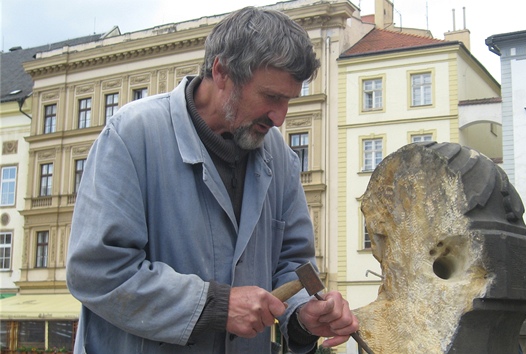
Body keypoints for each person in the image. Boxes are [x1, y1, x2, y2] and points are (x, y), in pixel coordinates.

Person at [66, 6, 359, 354]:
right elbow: (96, 271)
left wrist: (303, 317)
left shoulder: (279, 159)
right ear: (221, 72)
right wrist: (215, 305)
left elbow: (293, 268)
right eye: (272, 97)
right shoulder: (132, 135)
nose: (280, 118)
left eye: (289, 101)